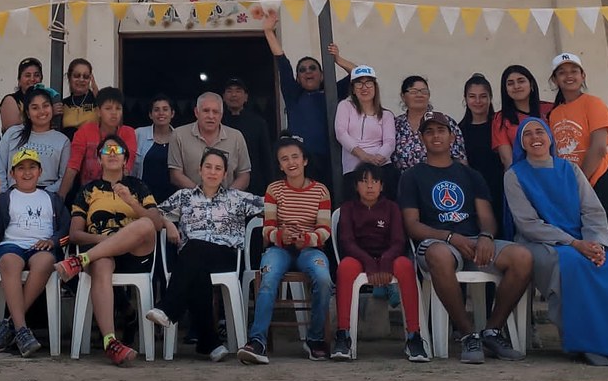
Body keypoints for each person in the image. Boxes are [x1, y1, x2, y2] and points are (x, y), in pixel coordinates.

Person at [398, 110, 533, 364]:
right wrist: (450, 237)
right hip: (438, 244)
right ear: (421, 139)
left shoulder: (470, 174)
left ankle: (492, 330)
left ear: (452, 136)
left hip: (474, 242)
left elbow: (487, 218)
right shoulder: (412, 176)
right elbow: (412, 225)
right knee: (438, 254)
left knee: (523, 257)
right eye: (429, 131)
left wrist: (485, 235)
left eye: (441, 130)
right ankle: (467, 333)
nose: (435, 136)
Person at [504, 117, 608, 362]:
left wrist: (596, 243)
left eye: (540, 132)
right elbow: (528, 223)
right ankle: (586, 344)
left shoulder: (571, 170)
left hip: (584, 240)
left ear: (549, 137)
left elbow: (592, 211)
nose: (535, 138)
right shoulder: (514, 175)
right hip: (541, 244)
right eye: (528, 134)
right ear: (521, 143)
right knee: (571, 264)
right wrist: (574, 244)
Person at [145, 148, 263, 361]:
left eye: (218, 168)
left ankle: (169, 308)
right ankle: (210, 343)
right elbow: (153, 213)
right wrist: (167, 224)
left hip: (224, 256)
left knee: (194, 249)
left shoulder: (236, 198)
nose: (212, 172)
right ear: (199, 170)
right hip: (192, 260)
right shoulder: (184, 196)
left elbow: (271, 205)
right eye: (208, 167)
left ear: (225, 174)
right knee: (197, 271)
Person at [54, 135, 162, 365]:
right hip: (102, 252)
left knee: (144, 224)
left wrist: (131, 202)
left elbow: (157, 222)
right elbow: (75, 233)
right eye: (106, 151)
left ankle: (79, 260)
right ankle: (110, 342)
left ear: (126, 160)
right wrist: (105, 240)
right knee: (101, 263)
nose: (112, 153)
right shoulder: (87, 190)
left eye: (117, 150)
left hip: (135, 253)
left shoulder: (138, 186)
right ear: (99, 159)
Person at [238, 135, 333, 365]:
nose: (291, 163)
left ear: (305, 160)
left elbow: (325, 230)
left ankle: (315, 339)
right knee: (268, 278)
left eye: (295, 157)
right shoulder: (274, 190)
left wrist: (306, 239)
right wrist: (283, 236)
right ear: (279, 165)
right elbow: (267, 228)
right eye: (284, 159)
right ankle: (257, 341)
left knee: (323, 279)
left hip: (309, 249)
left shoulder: (321, 191)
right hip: (279, 248)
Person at [548, 52, 608, 290]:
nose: (569, 76)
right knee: (594, 254)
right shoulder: (555, 114)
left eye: (574, 71)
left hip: (603, 182)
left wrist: (579, 183)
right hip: (578, 190)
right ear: (554, 79)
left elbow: (598, 147)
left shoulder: (593, 103)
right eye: (562, 72)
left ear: (583, 75)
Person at [0, 148, 71, 357]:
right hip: (11, 245)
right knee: (10, 262)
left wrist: (53, 241)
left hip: (41, 247)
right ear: (12, 174)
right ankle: (21, 330)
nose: (27, 173)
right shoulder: (5, 197)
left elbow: (67, 229)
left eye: (32, 168)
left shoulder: (52, 198)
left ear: (40, 171)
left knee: (46, 261)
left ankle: (11, 325)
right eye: (21, 168)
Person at [332, 162, 428, 362]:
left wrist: (384, 262)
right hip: (359, 257)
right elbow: (347, 242)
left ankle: (414, 336)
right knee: (345, 268)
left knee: (405, 266)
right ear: (356, 186)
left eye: (374, 181)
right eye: (364, 181)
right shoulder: (348, 209)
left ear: (382, 186)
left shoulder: (392, 208)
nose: (369, 186)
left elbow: (398, 241)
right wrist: (369, 263)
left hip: (388, 257)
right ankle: (343, 335)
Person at [260, 7, 354, 182]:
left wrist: (338, 59)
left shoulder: (333, 93)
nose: (308, 72)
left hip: (332, 160)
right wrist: (268, 31)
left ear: (322, 75)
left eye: (313, 68)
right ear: (297, 79)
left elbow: (359, 75)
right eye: (302, 70)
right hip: (302, 163)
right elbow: (282, 62)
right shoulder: (294, 95)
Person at [59, 87, 137, 198]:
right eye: (108, 108)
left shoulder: (128, 133)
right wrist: (59, 200)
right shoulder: (84, 131)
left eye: (118, 108)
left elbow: (126, 168)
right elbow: (72, 167)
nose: (114, 113)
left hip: (120, 194)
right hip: (88, 195)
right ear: (98, 112)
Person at [333, 65, 396, 198]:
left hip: (381, 166)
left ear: (375, 87)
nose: (364, 87)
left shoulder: (386, 115)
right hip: (353, 167)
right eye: (359, 83)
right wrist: (363, 156)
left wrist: (378, 158)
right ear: (353, 89)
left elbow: (390, 142)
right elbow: (341, 132)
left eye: (368, 83)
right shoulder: (345, 106)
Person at [168, 92, 251, 191]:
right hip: (190, 200)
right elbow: (175, 175)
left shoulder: (236, 136)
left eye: (215, 112)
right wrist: (201, 195)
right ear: (196, 112)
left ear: (221, 114)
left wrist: (227, 197)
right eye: (206, 111)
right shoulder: (179, 135)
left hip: (229, 202)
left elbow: (244, 174)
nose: (211, 116)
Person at [0, 86, 70, 193]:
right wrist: (4, 196)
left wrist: (43, 196)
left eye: (46, 106)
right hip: (13, 193)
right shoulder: (13, 134)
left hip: (46, 196)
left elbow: (64, 178)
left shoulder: (63, 141)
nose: (41, 111)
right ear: (28, 113)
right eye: (35, 108)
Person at [392, 75, 467, 173]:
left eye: (424, 91)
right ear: (403, 96)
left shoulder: (445, 121)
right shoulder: (395, 124)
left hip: (440, 181)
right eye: (413, 91)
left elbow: (460, 159)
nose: (419, 95)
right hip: (403, 183)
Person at [459, 73, 504, 229]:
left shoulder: (500, 125)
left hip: (502, 189)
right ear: (465, 99)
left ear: (490, 98)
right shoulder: (459, 130)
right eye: (472, 96)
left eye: (483, 96)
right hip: (474, 193)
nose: (477, 101)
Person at [491, 65, 554, 169]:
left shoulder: (550, 109)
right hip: (523, 177)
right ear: (505, 89)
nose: (516, 86)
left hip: (556, 173)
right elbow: (507, 159)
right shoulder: (501, 118)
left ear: (531, 84)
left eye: (521, 81)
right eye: (510, 83)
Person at [222, 76, 274, 196]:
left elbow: (266, 157)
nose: (234, 95)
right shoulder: (217, 122)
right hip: (223, 184)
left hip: (254, 185)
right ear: (224, 97)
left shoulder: (258, 123)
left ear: (246, 97)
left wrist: (271, 188)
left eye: (238, 91)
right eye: (229, 91)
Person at [0, 57, 61, 132]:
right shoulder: (11, 100)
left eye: (36, 75)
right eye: (28, 75)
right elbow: (13, 131)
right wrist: (48, 114)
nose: (32, 79)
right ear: (19, 80)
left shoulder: (47, 99)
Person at [134, 94, 176, 203]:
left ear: (172, 113)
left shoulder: (180, 137)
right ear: (150, 115)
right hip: (143, 198)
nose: (161, 113)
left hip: (173, 200)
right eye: (156, 110)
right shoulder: (138, 134)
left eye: (165, 109)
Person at [59, 58, 99, 139]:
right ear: (69, 77)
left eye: (86, 76)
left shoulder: (98, 101)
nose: (81, 79)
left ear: (90, 79)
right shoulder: (63, 104)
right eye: (77, 76)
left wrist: (100, 99)